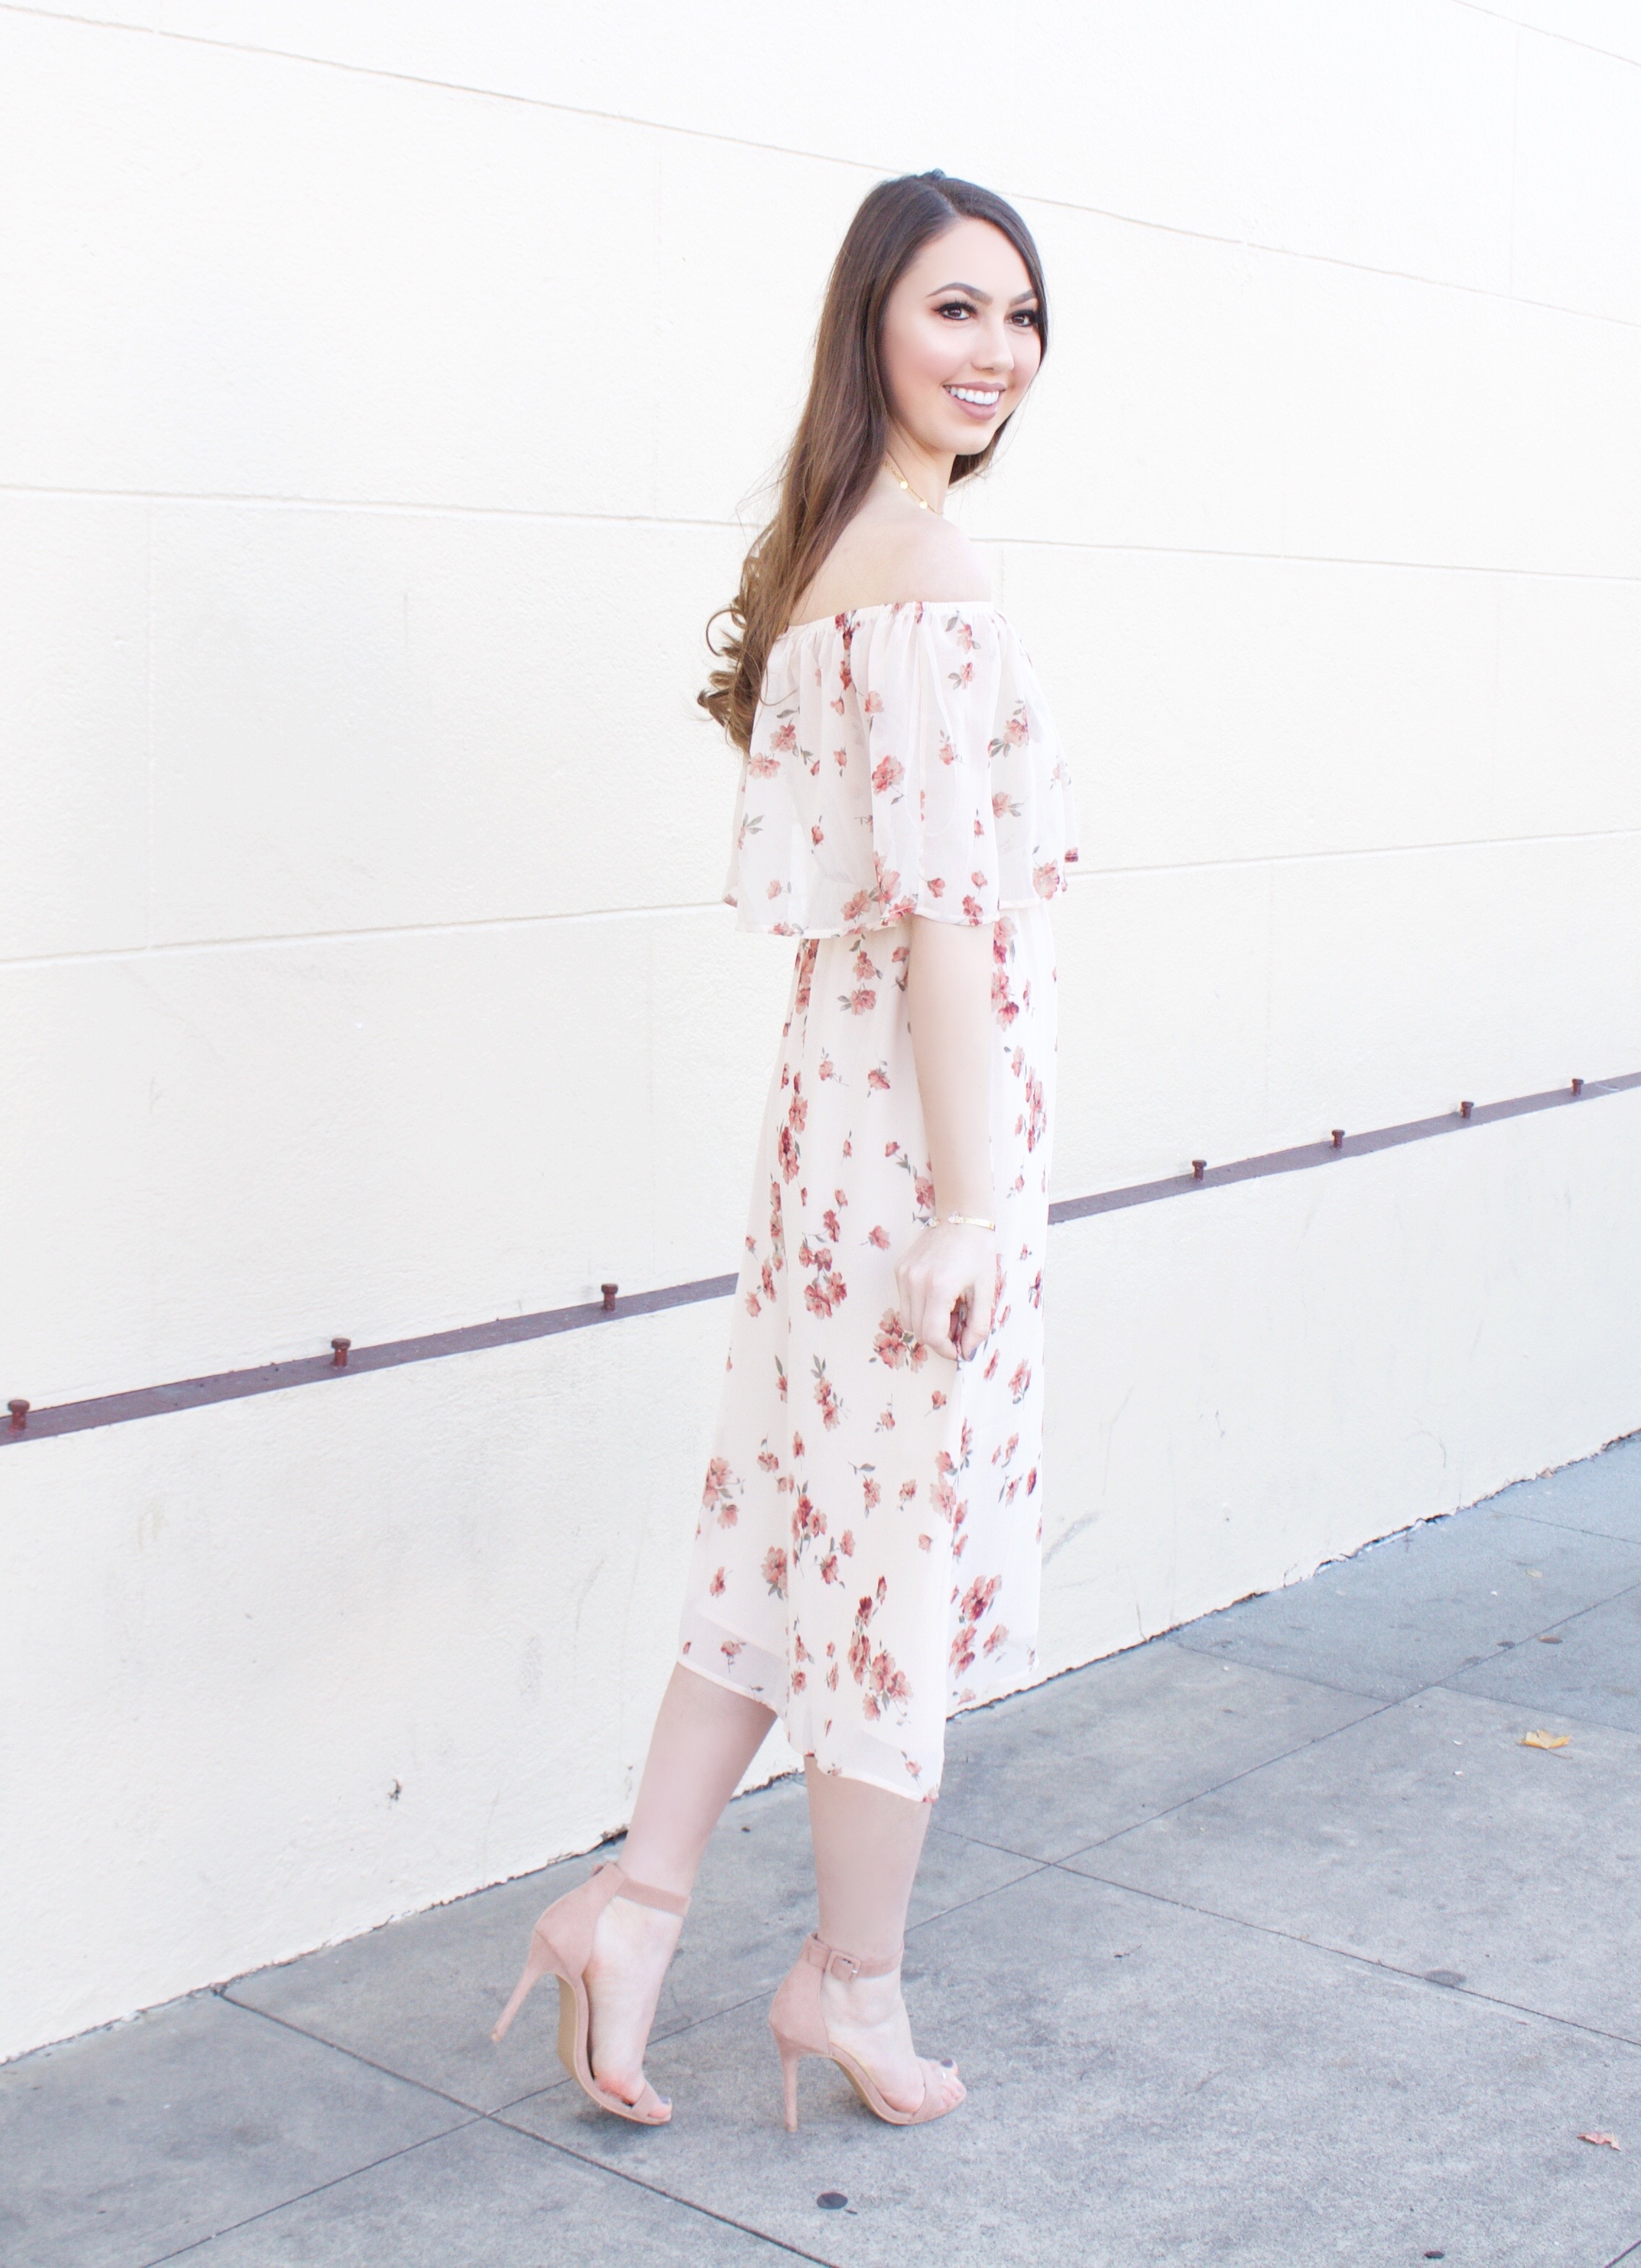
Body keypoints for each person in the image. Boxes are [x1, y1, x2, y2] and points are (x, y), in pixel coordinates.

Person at [490, 170, 1076, 2132]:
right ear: (872, 329)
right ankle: (855, 1984)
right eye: (953, 311)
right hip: (917, 1154)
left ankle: (635, 1908)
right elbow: (938, 918)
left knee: (783, 1527)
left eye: (1019, 315)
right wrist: (981, 1203)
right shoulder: (921, 574)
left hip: (840, 1140)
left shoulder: (835, 551)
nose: (994, 351)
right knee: (887, 1568)